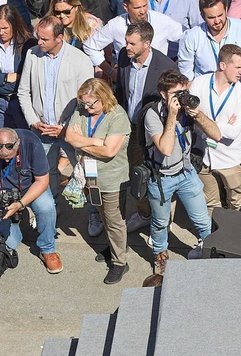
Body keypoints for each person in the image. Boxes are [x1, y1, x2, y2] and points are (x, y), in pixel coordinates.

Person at [143, 69, 219, 273]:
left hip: (186, 172)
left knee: (203, 220)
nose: (182, 98)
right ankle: (160, 254)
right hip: (161, 177)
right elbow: (166, 149)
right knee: (160, 223)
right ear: (163, 94)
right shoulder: (153, 114)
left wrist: (198, 115)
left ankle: (209, 249)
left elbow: (217, 135)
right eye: (176, 94)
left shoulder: (188, 110)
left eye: (184, 92)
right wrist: (173, 115)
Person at [17, 15, 94, 193]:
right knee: (44, 176)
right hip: (41, 131)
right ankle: (53, 213)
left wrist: (66, 128)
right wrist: (33, 121)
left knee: (88, 174)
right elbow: (23, 92)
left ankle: (94, 214)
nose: (40, 42)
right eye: (38, 37)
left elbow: (87, 102)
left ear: (59, 38)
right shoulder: (32, 54)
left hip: (72, 130)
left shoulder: (80, 60)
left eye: (45, 39)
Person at [64, 77, 129, 283]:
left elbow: (109, 151)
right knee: (101, 213)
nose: (87, 108)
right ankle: (114, 246)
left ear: (103, 98)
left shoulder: (117, 116)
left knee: (114, 220)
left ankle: (120, 262)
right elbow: (69, 137)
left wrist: (81, 142)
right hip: (89, 175)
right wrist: (94, 141)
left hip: (111, 179)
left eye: (91, 104)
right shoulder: (80, 109)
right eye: (84, 103)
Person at [114, 20, 176, 233]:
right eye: (126, 42)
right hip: (129, 127)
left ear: (147, 43)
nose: (127, 47)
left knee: (157, 178)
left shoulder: (166, 67)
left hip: (153, 132)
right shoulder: (124, 56)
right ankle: (144, 214)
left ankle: (161, 224)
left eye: (132, 43)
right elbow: (121, 90)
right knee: (136, 175)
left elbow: (171, 106)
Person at [190, 42, 241, 214]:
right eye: (237, 67)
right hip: (204, 157)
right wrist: (222, 125)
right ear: (223, 65)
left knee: (235, 202)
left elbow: (233, 132)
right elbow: (190, 118)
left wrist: (203, 120)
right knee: (210, 202)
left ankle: (231, 237)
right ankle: (212, 237)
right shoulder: (199, 84)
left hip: (230, 158)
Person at [0, 128, 60, 273]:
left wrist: (20, 203)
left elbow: (42, 181)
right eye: (3, 159)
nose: (7, 161)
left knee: (46, 206)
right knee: (11, 242)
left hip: (31, 185)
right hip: (4, 192)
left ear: (18, 143)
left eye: (10, 157)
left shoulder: (31, 141)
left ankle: (47, 249)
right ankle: (14, 230)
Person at [83, 0, 183, 80]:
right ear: (126, 7)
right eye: (137, 8)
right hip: (127, 82)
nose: (143, 11)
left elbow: (187, 38)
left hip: (158, 80)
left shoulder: (162, 21)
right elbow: (90, 46)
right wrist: (109, 71)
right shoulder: (116, 25)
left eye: (145, 5)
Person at [176, 0, 241, 79]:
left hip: (240, 86)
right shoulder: (191, 36)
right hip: (205, 90)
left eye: (220, 15)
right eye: (211, 17)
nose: (217, 21)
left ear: (226, 10)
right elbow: (186, 74)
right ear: (202, 16)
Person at [0, 6, 33, 126]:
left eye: (5, 28)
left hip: (20, 103)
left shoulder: (28, 44)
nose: (1, 32)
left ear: (14, 24)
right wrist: (5, 77)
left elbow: (27, 79)